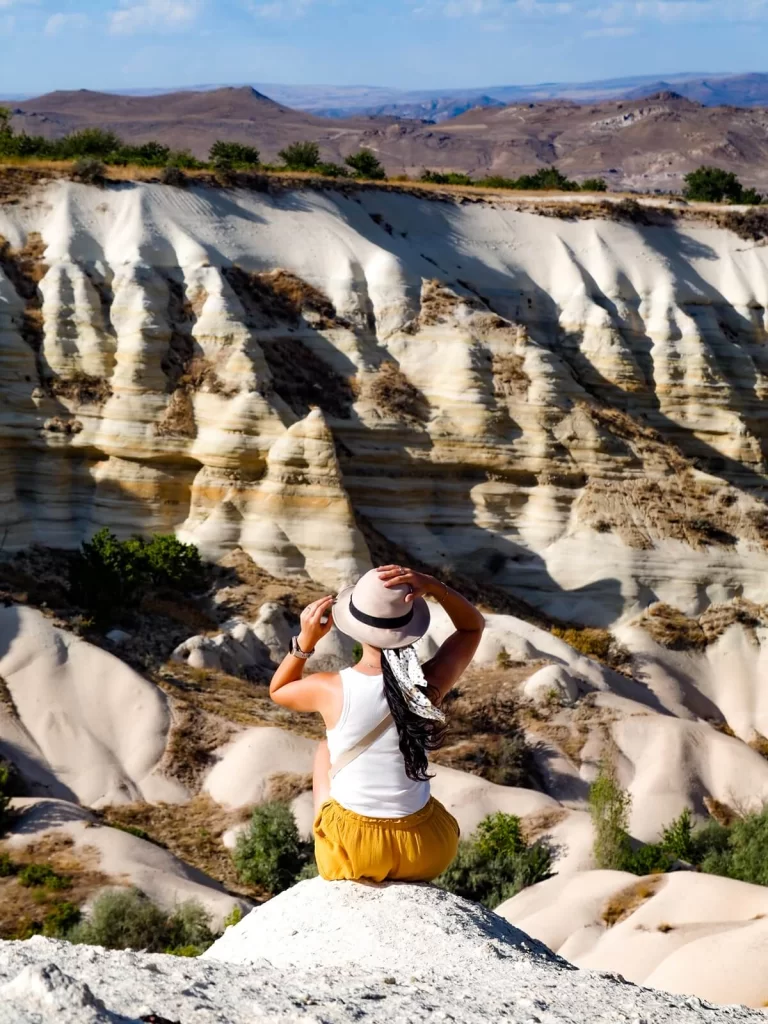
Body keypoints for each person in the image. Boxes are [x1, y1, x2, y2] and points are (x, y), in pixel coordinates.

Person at [269, 564, 485, 883]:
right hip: (426, 850)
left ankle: (331, 834)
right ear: (409, 628)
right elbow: (472, 628)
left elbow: (279, 690)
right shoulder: (428, 684)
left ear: (354, 628)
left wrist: (305, 641)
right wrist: (436, 586)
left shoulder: (329, 687)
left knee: (325, 750)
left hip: (353, 852)